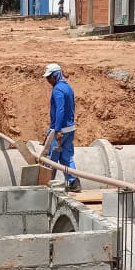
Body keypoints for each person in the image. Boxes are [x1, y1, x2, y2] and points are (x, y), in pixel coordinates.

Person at [42, 63, 81, 192]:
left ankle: (47, 184)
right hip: (70, 128)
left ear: (56, 75)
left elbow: (60, 109)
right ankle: (74, 182)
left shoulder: (58, 89)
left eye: (49, 77)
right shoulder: (68, 87)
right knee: (67, 157)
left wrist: (57, 130)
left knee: (51, 159)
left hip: (60, 130)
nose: (48, 80)